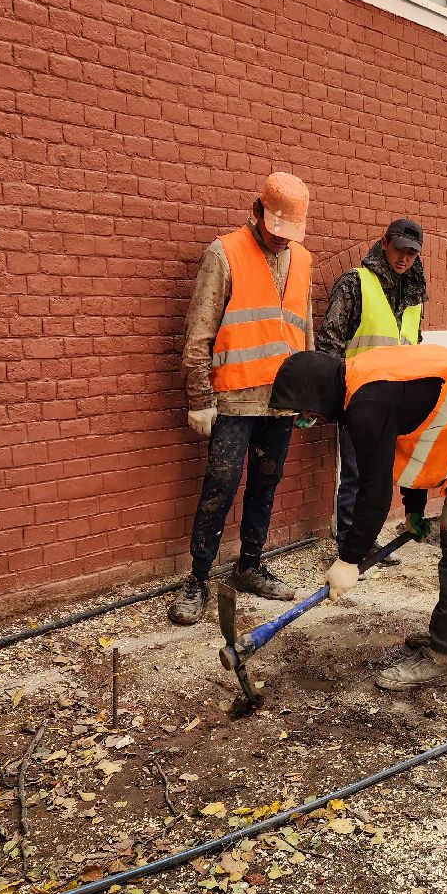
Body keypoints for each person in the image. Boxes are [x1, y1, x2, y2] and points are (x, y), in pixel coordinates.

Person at [269, 347, 447, 690]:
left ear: (317, 394)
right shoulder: (362, 380)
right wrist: (413, 509)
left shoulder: (367, 406)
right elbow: (414, 443)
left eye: (306, 412)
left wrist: (349, 560)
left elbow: (374, 492)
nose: (308, 419)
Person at [171, 172, 313, 625]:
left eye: (289, 235)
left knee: (266, 485)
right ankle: (197, 579)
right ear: (257, 211)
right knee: (220, 487)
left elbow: (302, 329)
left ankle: (250, 566)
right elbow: (200, 331)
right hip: (233, 401)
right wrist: (199, 396)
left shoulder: (303, 260)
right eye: (275, 232)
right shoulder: (224, 252)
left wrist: (309, 392)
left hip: (282, 400)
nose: (280, 242)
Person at [316, 218, 429, 547]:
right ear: (384, 243)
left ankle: (364, 537)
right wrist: (329, 396)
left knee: (378, 475)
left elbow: (415, 346)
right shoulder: (356, 282)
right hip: (359, 396)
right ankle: (350, 540)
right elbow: (331, 341)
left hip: (398, 399)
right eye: (399, 249)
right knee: (355, 472)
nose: (404, 258)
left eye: (411, 253)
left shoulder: (415, 297)